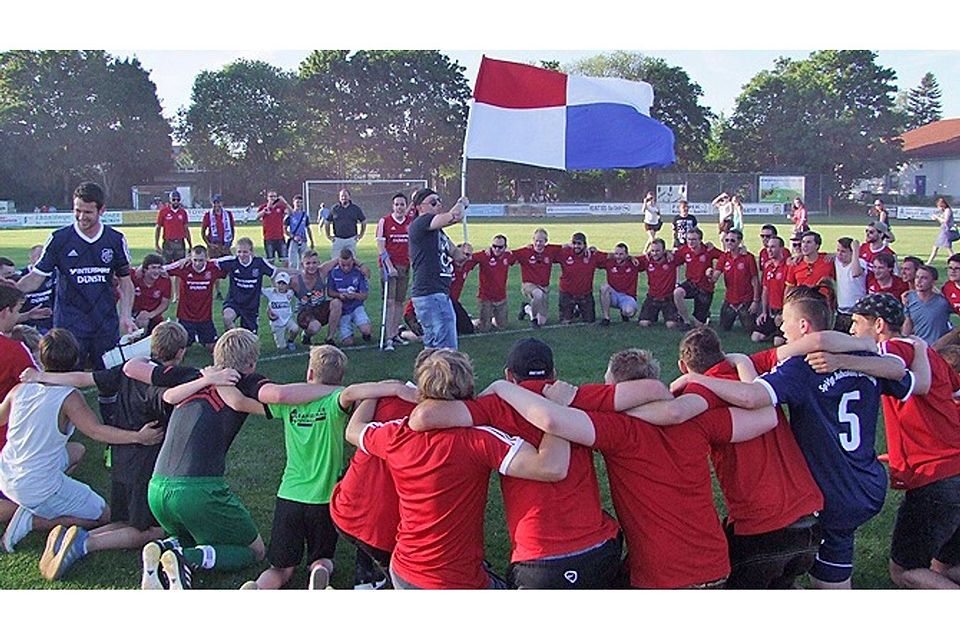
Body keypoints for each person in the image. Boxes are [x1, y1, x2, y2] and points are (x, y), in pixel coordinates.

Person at [671, 286, 913, 588]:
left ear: (803, 325)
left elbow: (753, 397)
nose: (780, 326)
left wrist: (696, 378)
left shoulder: (803, 366)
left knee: (827, 583)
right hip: (869, 481)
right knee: (826, 560)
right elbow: (904, 376)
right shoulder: (862, 355)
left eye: (784, 320)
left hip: (833, 490)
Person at [481, 346, 780, 588]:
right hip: (715, 565)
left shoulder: (617, 430)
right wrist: (710, 378)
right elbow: (768, 417)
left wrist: (502, 389)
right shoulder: (694, 418)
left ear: (613, 389)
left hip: (661, 579)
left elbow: (554, 421)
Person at [134, 328, 350, 589]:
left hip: (156, 486)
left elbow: (133, 369)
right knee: (254, 551)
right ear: (251, 363)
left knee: (191, 533)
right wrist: (338, 391)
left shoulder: (195, 374)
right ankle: (186, 558)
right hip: (197, 490)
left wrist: (204, 378)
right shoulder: (245, 380)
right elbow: (280, 395)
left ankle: (162, 548)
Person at [406, 340, 626, 589]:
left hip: (537, 561)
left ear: (509, 375)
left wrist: (498, 389)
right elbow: (650, 391)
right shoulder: (576, 395)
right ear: (553, 374)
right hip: (600, 551)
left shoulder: (494, 406)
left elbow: (425, 416)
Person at [21, 322, 232, 580]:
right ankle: (85, 544)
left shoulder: (127, 370)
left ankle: (71, 536)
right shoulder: (167, 379)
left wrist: (41, 376)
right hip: (144, 461)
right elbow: (170, 398)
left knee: (125, 520)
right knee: (152, 531)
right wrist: (208, 378)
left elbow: (84, 378)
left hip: (120, 457)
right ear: (180, 352)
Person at [348, 348, 571, 589]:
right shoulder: (478, 440)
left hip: (403, 569)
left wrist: (379, 391)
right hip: (456, 580)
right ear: (468, 385)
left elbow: (353, 430)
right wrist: (558, 408)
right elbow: (552, 466)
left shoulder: (395, 435)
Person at [820, 293, 960, 588]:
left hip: (936, 476)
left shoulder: (892, 347)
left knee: (905, 571)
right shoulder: (926, 352)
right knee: (943, 566)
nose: (852, 331)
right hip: (953, 467)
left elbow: (893, 367)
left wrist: (837, 361)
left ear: (879, 324)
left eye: (857, 323)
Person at [241, 346, 408, 590]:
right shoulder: (334, 401)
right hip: (324, 498)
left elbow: (242, 403)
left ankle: (259, 588)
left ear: (310, 373)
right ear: (339, 377)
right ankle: (319, 573)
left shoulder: (288, 404)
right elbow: (354, 393)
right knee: (323, 558)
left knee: (280, 567)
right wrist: (395, 387)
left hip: (289, 495)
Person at [674, 328, 825, 588]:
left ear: (683, 366)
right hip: (809, 519)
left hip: (762, 528)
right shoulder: (759, 381)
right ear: (723, 354)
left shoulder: (698, 397)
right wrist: (742, 361)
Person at [0, 329, 165, 553]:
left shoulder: (19, 390)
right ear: (76, 359)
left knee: (76, 450)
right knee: (104, 516)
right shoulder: (68, 397)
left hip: (7, 472)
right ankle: (32, 521)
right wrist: (138, 437)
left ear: (41, 356)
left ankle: (38, 503)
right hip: (33, 483)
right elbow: (96, 431)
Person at [17, 182, 137, 371]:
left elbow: (125, 281)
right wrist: (10, 291)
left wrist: (126, 315)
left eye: (88, 212)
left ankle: (109, 401)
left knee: (109, 377)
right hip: (69, 324)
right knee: (65, 376)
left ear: (102, 210)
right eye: (77, 210)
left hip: (104, 322)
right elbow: (36, 277)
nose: (82, 217)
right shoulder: (59, 239)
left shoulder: (115, 239)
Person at [407, 188, 467, 350]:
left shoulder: (437, 232)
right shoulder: (421, 223)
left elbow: (457, 255)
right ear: (420, 207)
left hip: (439, 293)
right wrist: (461, 203)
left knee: (433, 346)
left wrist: (465, 253)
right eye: (433, 202)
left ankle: (428, 375)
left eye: (439, 201)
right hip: (431, 293)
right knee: (445, 348)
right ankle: (442, 375)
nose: (438, 205)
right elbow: (455, 216)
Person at [0, 285, 41, 527]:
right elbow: (37, 386)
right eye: (16, 311)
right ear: (5, 312)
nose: (17, 316)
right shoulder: (14, 351)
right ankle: (25, 515)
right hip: (9, 445)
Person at [165, 246, 224, 354]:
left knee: (214, 349)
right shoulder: (184, 266)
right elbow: (163, 269)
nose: (197, 263)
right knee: (180, 351)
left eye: (201, 260)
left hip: (205, 318)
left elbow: (232, 264)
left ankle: (202, 338)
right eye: (195, 260)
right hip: (185, 317)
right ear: (190, 258)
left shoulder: (213, 267)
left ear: (206, 258)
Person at [215, 237, 278, 334]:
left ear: (251, 252)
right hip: (234, 302)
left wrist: (299, 272)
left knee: (251, 338)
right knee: (227, 318)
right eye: (239, 252)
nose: (242, 255)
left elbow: (275, 272)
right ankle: (237, 340)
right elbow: (208, 263)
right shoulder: (232, 261)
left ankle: (243, 341)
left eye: (245, 252)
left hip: (251, 306)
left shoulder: (259, 263)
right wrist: (188, 259)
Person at [376, 192, 413, 349]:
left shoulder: (410, 222)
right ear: (393, 206)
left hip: (405, 266)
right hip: (389, 267)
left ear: (406, 206)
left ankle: (395, 333)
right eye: (397, 204)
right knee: (390, 302)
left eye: (402, 204)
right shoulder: (385, 221)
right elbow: (380, 246)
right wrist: (389, 266)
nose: (399, 207)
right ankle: (388, 337)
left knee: (399, 302)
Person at [290, 250, 343, 347]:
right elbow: (279, 286)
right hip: (304, 312)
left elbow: (341, 258)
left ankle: (329, 338)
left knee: (337, 303)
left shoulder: (322, 271)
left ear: (319, 263)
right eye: (308, 263)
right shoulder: (295, 280)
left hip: (320, 308)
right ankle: (306, 335)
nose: (311, 266)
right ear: (302, 264)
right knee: (315, 327)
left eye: (314, 262)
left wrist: (360, 265)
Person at [673, 227, 723, 328]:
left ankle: (705, 315)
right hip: (691, 284)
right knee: (677, 292)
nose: (691, 242)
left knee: (699, 325)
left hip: (705, 288)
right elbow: (673, 259)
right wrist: (667, 253)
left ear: (700, 240)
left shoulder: (709, 250)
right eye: (689, 239)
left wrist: (715, 272)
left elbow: (725, 257)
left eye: (694, 239)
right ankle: (685, 321)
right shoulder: (685, 250)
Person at [512, 228, 562, 327]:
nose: (538, 243)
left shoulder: (551, 250)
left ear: (546, 241)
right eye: (536, 241)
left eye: (541, 241)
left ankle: (526, 308)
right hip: (528, 285)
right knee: (537, 294)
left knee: (542, 321)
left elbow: (567, 246)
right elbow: (507, 254)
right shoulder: (525, 251)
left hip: (544, 287)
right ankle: (533, 319)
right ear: (533, 240)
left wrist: (591, 249)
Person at [714, 229, 760, 333]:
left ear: (739, 242)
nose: (729, 243)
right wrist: (709, 274)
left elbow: (755, 280)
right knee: (723, 329)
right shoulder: (724, 257)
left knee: (751, 330)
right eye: (727, 240)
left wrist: (755, 301)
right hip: (730, 300)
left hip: (745, 300)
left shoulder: (748, 257)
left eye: (732, 240)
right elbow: (714, 277)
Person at [556, 232, 605, 325]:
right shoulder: (564, 253)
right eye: (574, 243)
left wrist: (629, 257)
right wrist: (532, 247)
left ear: (585, 245)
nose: (576, 246)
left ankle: (578, 309)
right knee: (565, 322)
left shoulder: (592, 255)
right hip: (567, 294)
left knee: (590, 321)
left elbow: (610, 258)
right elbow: (547, 252)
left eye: (579, 244)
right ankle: (572, 309)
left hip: (585, 294)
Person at [327, 249, 372, 346]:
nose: (346, 268)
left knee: (366, 330)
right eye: (343, 265)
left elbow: (365, 295)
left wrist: (354, 295)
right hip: (343, 310)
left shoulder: (358, 272)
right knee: (348, 343)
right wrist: (339, 295)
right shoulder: (333, 273)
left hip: (356, 306)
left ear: (353, 262)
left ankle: (366, 333)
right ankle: (345, 334)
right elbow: (329, 292)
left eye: (349, 265)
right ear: (338, 262)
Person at [473, 235, 516, 333]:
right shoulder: (484, 255)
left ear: (505, 247)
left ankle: (489, 318)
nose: (497, 249)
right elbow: (468, 257)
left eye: (500, 247)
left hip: (501, 298)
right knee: (484, 329)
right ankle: (474, 321)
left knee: (502, 326)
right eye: (494, 246)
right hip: (485, 297)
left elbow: (521, 257)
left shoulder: (508, 256)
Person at [902, 264, 953, 345]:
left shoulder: (943, 302)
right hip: (919, 345)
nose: (919, 281)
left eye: (924, 278)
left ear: (933, 282)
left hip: (939, 347)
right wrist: (903, 341)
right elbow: (908, 322)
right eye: (917, 277)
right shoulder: (909, 298)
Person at [637, 238, 681, 329]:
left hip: (668, 298)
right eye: (652, 250)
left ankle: (677, 316)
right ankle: (653, 315)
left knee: (671, 325)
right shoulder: (647, 260)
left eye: (657, 251)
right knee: (643, 323)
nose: (654, 253)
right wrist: (631, 257)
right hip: (652, 297)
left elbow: (687, 252)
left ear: (663, 250)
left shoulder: (672, 259)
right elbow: (629, 260)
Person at [752, 236, 788, 344]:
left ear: (781, 249)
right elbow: (765, 290)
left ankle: (779, 334)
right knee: (755, 337)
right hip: (771, 311)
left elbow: (791, 292)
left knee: (778, 342)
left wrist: (784, 314)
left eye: (773, 247)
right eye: (768, 247)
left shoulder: (788, 266)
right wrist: (764, 312)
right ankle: (773, 332)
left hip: (783, 311)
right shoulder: (768, 267)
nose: (769, 250)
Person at [16, 245, 55, 335]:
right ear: (31, 258)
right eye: (38, 256)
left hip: (50, 321)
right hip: (28, 324)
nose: (41, 260)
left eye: (43, 256)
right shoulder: (20, 277)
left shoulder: (55, 275)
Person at [599, 243, 641, 325]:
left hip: (627, 296)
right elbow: (596, 256)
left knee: (629, 312)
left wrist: (631, 258)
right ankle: (606, 318)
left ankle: (624, 313)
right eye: (616, 254)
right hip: (613, 295)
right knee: (604, 288)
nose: (618, 256)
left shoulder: (634, 263)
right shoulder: (610, 262)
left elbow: (651, 257)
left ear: (626, 255)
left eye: (621, 254)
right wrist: (592, 249)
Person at [833, 237, 866, 334]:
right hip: (841, 312)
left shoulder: (860, 263)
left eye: (843, 251)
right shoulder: (837, 262)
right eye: (838, 250)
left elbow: (855, 273)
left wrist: (856, 251)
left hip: (856, 311)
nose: (839, 254)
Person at [131, 254, 171, 334]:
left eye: (159, 268)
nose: (156, 271)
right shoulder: (135, 276)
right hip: (135, 314)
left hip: (154, 314)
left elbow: (165, 303)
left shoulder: (164, 280)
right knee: (141, 321)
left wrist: (150, 315)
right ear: (145, 269)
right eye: (153, 268)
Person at [325, 189, 366, 260]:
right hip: (338, 239)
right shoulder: (334, 208)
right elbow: (327, 222)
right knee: (335, 260)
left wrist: (361, 234)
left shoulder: (355, 208)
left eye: (345, 196)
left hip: (351, 239)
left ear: (349, 197)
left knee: (352, 260)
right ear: (339, 197)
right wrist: (328, 235)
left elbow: (363, 221)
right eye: (342, 196)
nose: (343, 198)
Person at [154, 190, 192, 266]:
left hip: (180, 243)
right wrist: (156, 244)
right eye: (173, 199)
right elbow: (158, 228)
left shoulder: (183, 212)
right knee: (166, 266)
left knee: (180, 267)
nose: (175, 202)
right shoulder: (163, 211)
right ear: (170, 200)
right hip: (168, 243)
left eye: (178, 200)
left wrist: (190, 244)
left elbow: (186, 229)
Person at [262, 272, 298, 351]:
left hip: (287, 319)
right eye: (279, 283)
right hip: (276, 322)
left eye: (284, 284)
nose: (281, 286)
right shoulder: (270, 292)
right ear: (275, 283)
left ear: (288, 285)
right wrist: (268, 310)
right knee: (281, 347)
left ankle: (291, 341)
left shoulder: (290, 293)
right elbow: (260, 290)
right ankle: (282, 341)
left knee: (295, 329)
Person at [256, 190, 292, 266]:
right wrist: (266, 208)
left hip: (280, 238)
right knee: (270, 261)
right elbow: (257, 217)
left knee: (285, 260)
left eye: (274, 196)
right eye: (271, 196)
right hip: (268, 238)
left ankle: (285, 275)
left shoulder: (281, 207)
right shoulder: (263, 207)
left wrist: (285, 202)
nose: (273, 198)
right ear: (267, 198)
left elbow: (291, 213)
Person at [933, 253, 960, 350]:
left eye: (957, 268)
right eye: (950, 268)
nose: (952, 271)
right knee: (936, 348)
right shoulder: (948, 287)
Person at [860, 221, 897, 286]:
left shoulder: (889, 254)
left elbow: (895, 277)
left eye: (871, 232)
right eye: (866, 231)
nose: (867, 234)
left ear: (881, 234)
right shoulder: (862, 248)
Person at [284, 195, 314, 270]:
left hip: (303, 240)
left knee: (304, 261)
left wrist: (311, 240)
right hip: (294, 241)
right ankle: (293, 278)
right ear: (293, 203)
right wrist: (292, 236)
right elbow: (284, 229)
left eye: (300, 202)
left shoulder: (304, 215)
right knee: (293, 263)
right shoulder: (290, 215)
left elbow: (308, 228)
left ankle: (302, 278)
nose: (299, 204)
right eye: (297, 202)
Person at [201, 195, 236, 260]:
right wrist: (209, 244)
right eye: (215, 203)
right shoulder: (208, 215)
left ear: (222, 203)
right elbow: (203, 232)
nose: (216, 205)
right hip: (214, 247)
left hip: (225, 246)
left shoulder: (228, 214)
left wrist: (230, 242)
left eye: (218, 202)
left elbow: (232, 229)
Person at [929, 197, 955, 264]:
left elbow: (945, 221)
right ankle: (929, 262)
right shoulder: (944, 211)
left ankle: (954, 262)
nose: (938, 208)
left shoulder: (947, 210)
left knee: (948, 248)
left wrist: (937, 217)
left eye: (939, 206)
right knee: (935, 247)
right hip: (943, 231)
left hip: (946, 232)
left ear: (942, 205)